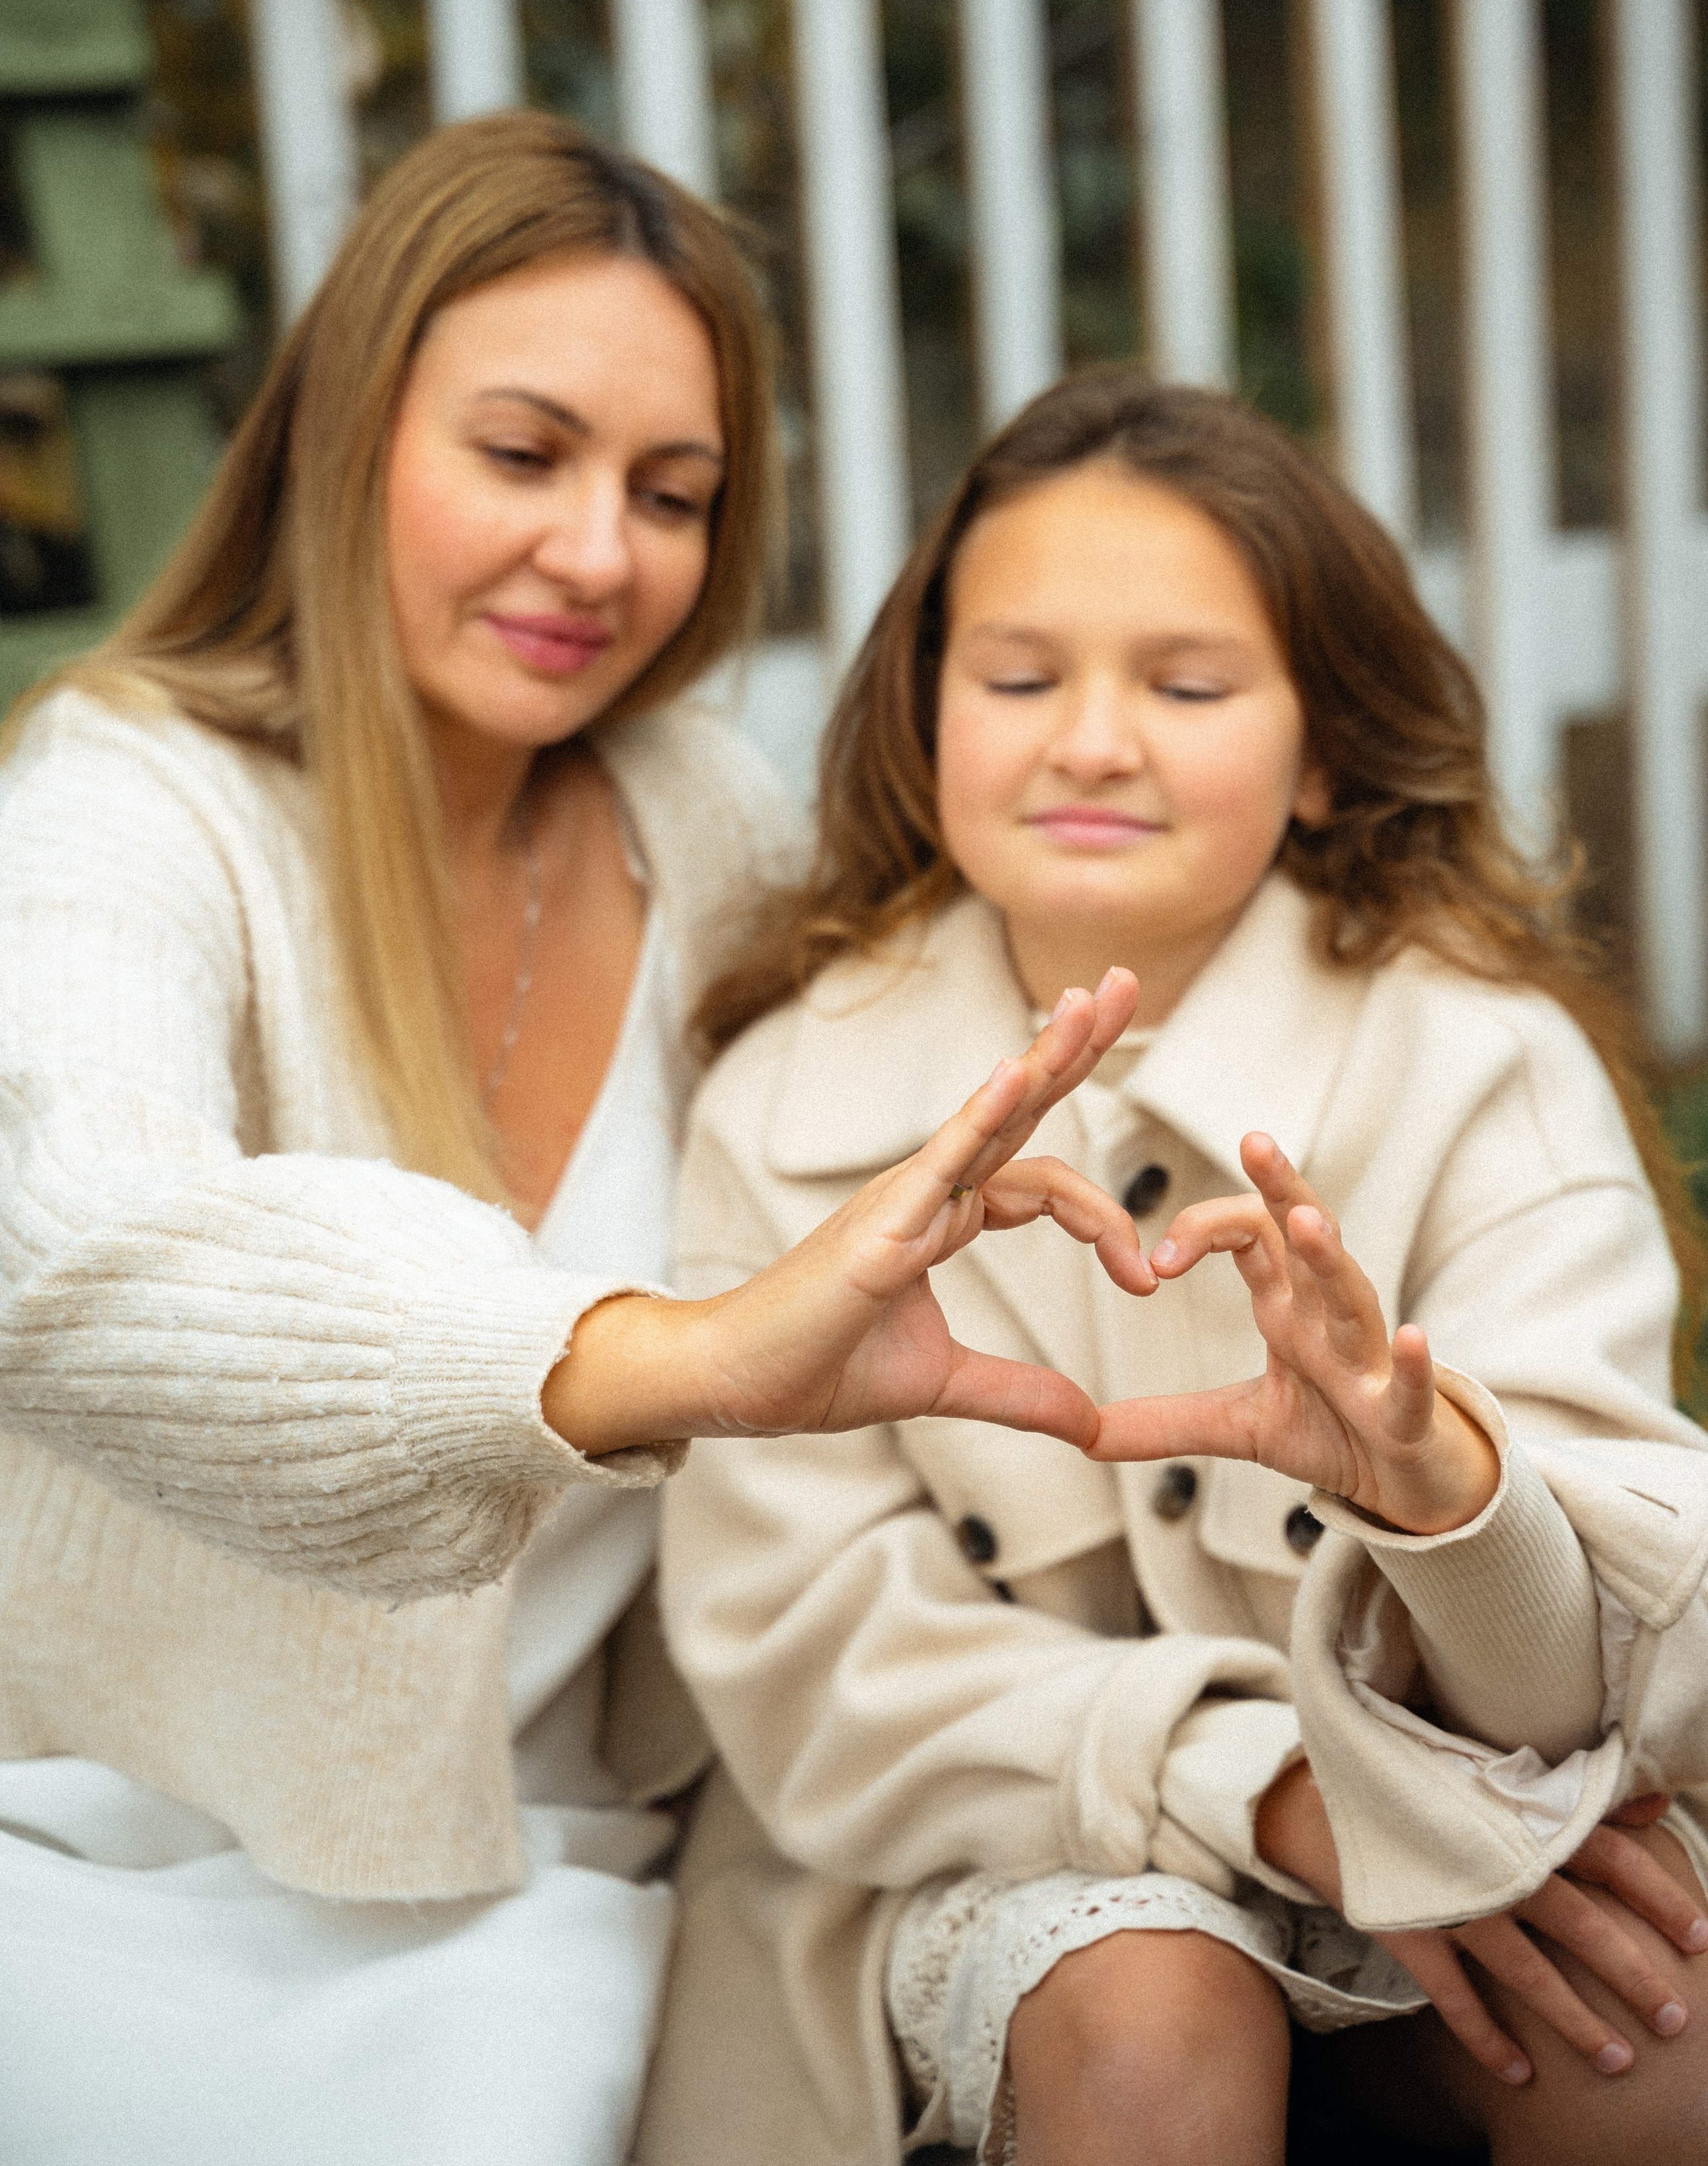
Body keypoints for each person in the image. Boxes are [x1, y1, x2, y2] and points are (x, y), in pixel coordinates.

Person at [0, 117, 1157, 2166]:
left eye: (674, 493)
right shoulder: (134, 800)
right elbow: (75, 1239)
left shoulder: (709, 830)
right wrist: (660, 1359)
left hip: (591, 1882)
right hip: (111, 1872)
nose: (601, 554)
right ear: (351, 436)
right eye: (523, 457)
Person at [646, 370, 1708, 2166]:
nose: (1093, 740)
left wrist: (1453, 1501)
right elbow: (814, 1658)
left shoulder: (1481, 1068)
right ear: (924, 716)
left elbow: (1607, 1676)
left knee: (1652, 2036)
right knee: (1151, 2002)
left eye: (1188, 684)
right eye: (1019, 676)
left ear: (1322, 756)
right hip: (978, 1866)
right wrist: (1284, 1797)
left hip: (1472, 1819)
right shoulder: (789, 1110)